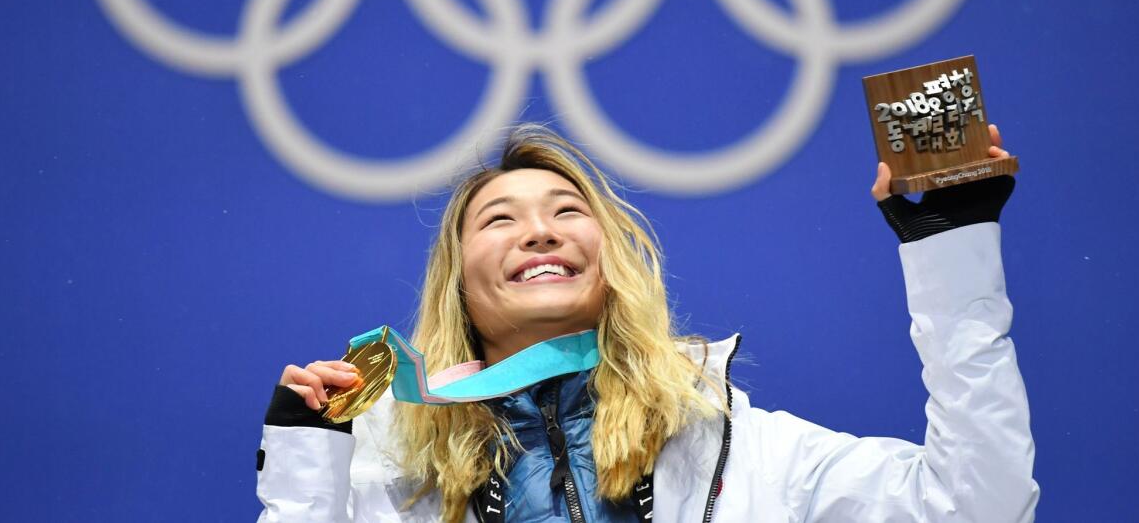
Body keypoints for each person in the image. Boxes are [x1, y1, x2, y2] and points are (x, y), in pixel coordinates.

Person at [256, 123, 1038, 522]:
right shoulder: (394, 469)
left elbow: (975, 507)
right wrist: (306, 460)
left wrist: (953, 248)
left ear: (610, 265)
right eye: (500, 219)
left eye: (567, 210)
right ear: (458, 281)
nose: (540, 231)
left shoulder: (739, 447)